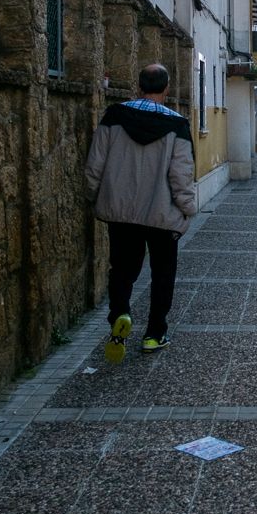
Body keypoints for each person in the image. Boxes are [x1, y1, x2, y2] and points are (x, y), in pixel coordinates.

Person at [85, 63, 196, 355]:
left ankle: (120, 315)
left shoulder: (114, 115)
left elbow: (95, 163)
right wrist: (188, 208)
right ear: (167, 88)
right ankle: (154, 334)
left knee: (122, 269)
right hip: (162, 213)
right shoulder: (177, 125)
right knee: (163, 273)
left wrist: (92, 196)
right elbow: (181, 174)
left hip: (120, 211)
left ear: (139, 85)